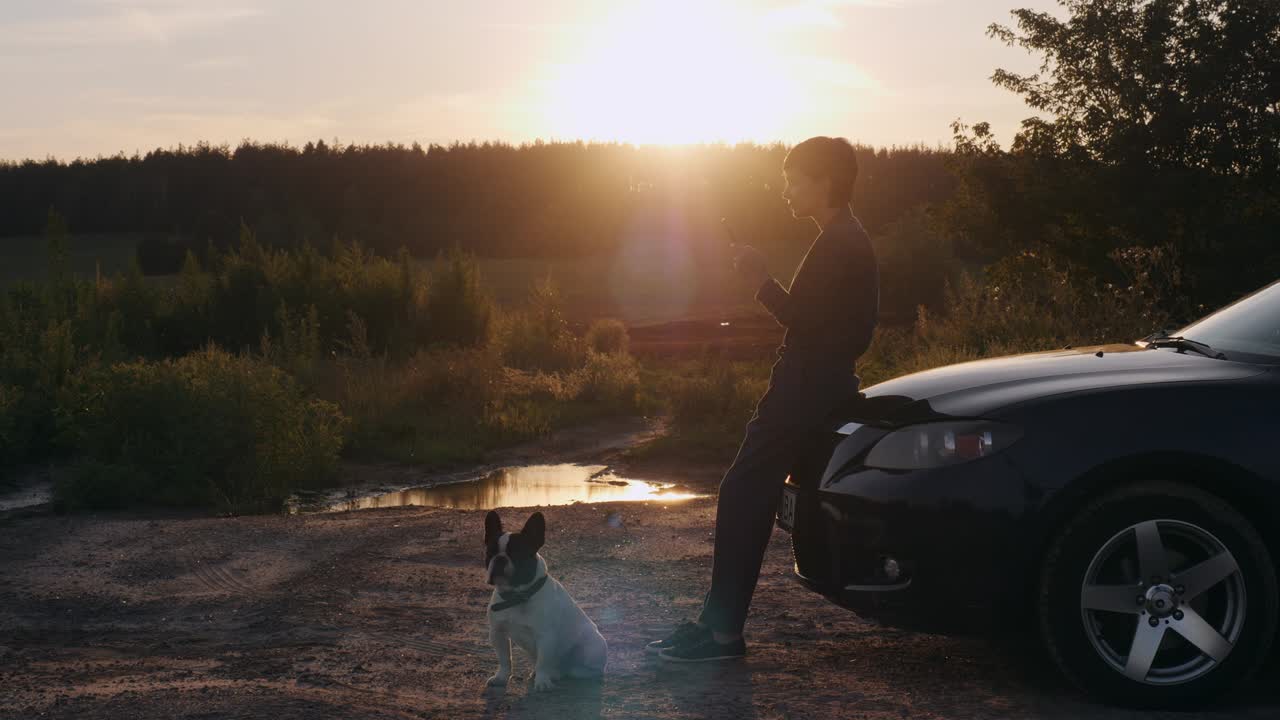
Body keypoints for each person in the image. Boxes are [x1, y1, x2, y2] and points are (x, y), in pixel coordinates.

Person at [649, 136, 879, 662]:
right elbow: (835, 327)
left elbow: (809, 322)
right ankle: (715, 622)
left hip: (803, 389)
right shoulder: (845, 238)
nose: (785, 190)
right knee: (744, 493)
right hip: (815, 384)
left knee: (742, 493)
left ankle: (723, 633)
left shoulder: (840, 242)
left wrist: (759, 280)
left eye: (794, 179)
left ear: (823, 181)